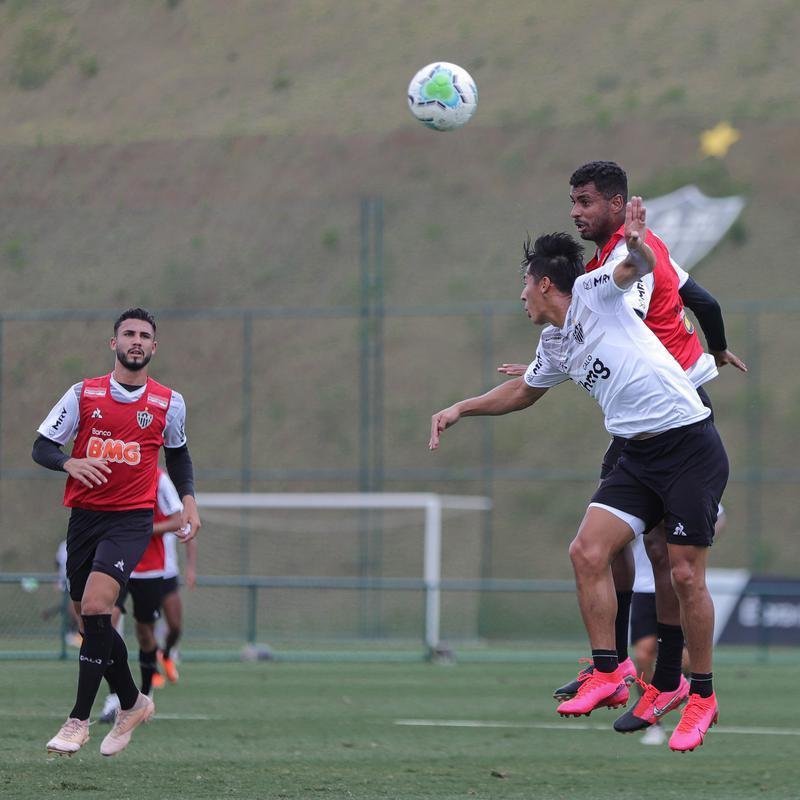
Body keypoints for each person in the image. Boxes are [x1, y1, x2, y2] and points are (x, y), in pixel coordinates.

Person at [430, 203, 728, 752]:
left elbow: (631, 268)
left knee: (685, 576)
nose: (520, 296)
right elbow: (523, 391)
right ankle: (608, 671)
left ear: (546, 284)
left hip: (688, 444)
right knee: (586, 551)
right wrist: (460, 409)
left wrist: (636, 242)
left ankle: (702, 696)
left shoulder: (595, 291)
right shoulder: (555, 344)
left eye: (525, 285)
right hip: (637, 455)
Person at [499, 161, 745, 735]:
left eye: (584, 202)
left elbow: (626, 294)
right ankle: (611, 667)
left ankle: (675, 682)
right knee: (597, 548)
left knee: (676, 565)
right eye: (572, 202)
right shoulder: (596, 272)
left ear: (616, 202)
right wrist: (722, 345)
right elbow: (702, 300)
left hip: (677, 418)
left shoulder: (616, 267)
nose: (574, 212)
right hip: (637, 429)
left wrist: (632, 258)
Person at [32, 307, 201, 757]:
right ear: (114, 343)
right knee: (90, 618)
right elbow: (42, 445)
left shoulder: (169, 402)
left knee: (96, 607)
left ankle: (78, 720)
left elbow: (179, 456)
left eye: (145, 335)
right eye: (128, 333)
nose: (136, 341)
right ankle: (132, 701)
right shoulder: (82, 394)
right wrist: (70, 461)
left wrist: (188, 499)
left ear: (154, 347)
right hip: (85, 517)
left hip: (130, 520)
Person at [99, 468, 184, 723]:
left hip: (149, 569)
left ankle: (144, 698)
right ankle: (115, 697)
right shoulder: (113, 471)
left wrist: (143, 529)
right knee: (103, 626)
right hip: (115, 562)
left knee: (145, 632)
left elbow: (177, 520)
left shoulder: (159, 479)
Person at [156, 509, 198, 686]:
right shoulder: (142, 506)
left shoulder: (171, 512)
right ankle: (151, 670)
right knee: (146, 626)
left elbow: (190, 536)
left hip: (169, 575)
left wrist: (190, 568)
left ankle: (165, 656)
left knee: (175, 626)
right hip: (145, 575)